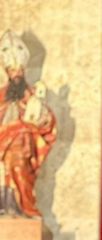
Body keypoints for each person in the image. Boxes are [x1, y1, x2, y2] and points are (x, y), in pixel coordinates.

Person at [0, 30, 56, 218]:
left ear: (24, 72)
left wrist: (42, 118)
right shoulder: (0, 96)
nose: (16, 74)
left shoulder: (34, 95)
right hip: (1, 146)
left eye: (19, 71)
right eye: (12, 70)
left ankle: (20, 206)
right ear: (7, 73)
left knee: (17, 163)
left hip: (24, 149)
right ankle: (5, 207)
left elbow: (48, 126)